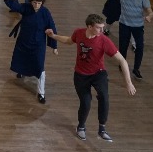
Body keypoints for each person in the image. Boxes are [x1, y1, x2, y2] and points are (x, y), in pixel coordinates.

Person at [45, 14, 136, 142]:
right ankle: (81, 127)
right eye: (99, 28)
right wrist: (53, 36)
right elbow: (69, 40)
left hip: (98, 73)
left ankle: (102, 129)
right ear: (89, 27)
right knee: (86, 102)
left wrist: (128, 83)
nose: (102, 30)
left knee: (104, 97)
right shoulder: (79, 33)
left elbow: (122, 60)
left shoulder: (104, 40)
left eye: (102, 27)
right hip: (81, 75)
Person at [87, 0, 153, 80]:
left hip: (138, 26)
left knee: (140, 47)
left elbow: (150, 11)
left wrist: (149, 16)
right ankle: (122, 64)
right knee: (123, 47)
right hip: (124, 24)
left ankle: (136, 69)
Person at [5, 0, 58, 104]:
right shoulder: (26, 7)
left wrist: (54, 46)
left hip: (38, 45)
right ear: (31, 1)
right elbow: (14, 6)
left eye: (39, 3)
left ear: (42, 3)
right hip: (24, 41)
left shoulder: (45, 13)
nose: (36, 5)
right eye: (34, 3)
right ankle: (21, 71)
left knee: (39, 66)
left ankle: (41, 93)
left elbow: (52, 28)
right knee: (22, 59)